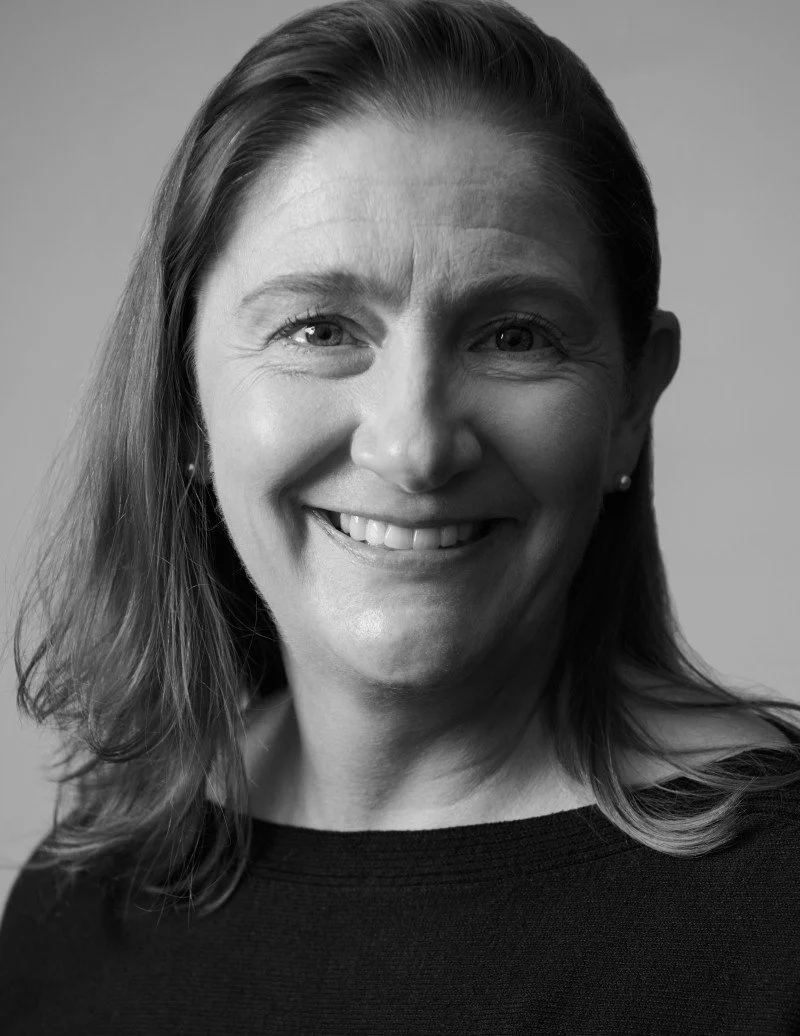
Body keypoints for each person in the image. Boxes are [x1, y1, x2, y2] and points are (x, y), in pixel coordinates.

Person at [2, 0, 799, 1032]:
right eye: (318, 327)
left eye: (513, 334)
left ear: (629, 403)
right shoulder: (81, 909)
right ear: (182, 394)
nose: (414, 447)